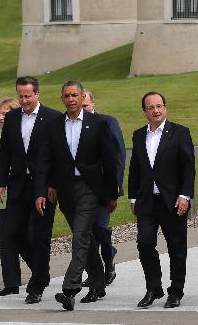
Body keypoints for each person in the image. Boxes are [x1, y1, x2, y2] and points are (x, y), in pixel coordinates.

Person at [35, 80, 120, 311]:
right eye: (66, 96)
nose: (71, 99)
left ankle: (70, 289)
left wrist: (113, 193)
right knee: (85, 238)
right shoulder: (53, 125)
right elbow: (46, 160)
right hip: (65, 189)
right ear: (62, 99)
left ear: (83, 97)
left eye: (75, 95)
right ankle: (98, 283)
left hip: (90, 187)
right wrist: (46, 187)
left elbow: (111, 161)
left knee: (80, 234)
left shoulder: (98, 123)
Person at [0, 76, 61, 304]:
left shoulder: (52, 117)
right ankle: (41, 270)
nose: (24, 100)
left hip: (44, 186)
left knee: (40, 236)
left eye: (28, 96)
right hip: (18, 185)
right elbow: (4, 152)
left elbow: (59, 156)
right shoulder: (12, 118)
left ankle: (37, 285)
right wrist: (0, 183)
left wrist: (53, 185)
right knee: (13, 232)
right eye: (20, 96)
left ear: (37, 94)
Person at [128, 91, 195, 309]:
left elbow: (188, 167)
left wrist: (185, 195)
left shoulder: (180, 133)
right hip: (147, 201)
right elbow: (135, 169)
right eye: (151, 107)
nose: (156, 110)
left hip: (173, 201)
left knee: (177, 248)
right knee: (145, 243)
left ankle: (175, 291)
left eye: (159, 106)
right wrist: (133, 198)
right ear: (145, 111)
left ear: (165, 107)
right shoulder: (139, 135)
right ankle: (153, 288)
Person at [81, 90, 126, 287]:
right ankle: (93, 273)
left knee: (99, 227)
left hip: (102, 188)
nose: (82, 110)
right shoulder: (68, 125)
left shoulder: (107, 122)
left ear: (93, 103)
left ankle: (109, 258)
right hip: (79, 190)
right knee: (83, 232)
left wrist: (115, 184)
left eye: (85, 106)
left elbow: (118, 155)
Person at [0, 97, 21, 296]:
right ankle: (11, 282)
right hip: (0, 194)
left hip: (20, 191)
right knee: (5, 238)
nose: (0, 117)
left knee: (24, 236)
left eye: (4, 114)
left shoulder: (21, 133)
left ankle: (39, 273)